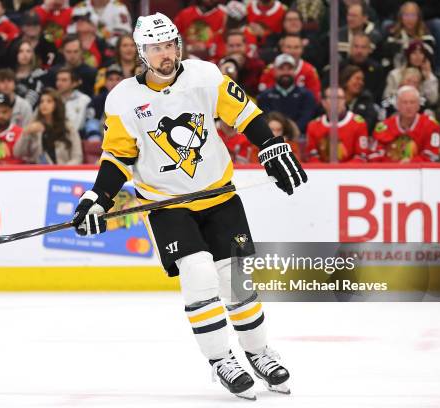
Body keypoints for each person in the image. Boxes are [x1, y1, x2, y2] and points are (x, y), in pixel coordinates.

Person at [70, 13, 306, 400]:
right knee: (198, 274)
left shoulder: (205, 76)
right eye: (156, 48)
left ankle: (260, 353)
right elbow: (116, 157)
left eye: (170, 45)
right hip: (167, 205)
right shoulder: (123, 99)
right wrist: (99, 197)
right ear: (142, 53)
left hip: (219, 195)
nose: (166, 54)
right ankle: (222, 360)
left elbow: (245, 114)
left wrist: (270, 145)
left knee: (236, 281)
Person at [370, 85, 440, 162]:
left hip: (419, 172)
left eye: (412, 102)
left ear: (418, 105)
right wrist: (394, 167)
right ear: (397, 105)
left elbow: (432, 155)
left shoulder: (431, 125)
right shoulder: (383, 127)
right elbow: (374, 155)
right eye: (404, 102)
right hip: (389, 172)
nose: (408, 106)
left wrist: (411, 163)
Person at [14, 88, 83, 164]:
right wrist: (25, 132)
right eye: (42, 101)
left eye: (49, 101)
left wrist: (63, 170)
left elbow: (77, 157)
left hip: (63, 171)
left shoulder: (68, 127)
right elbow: (18, 153)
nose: (44, 104)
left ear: (57, 104)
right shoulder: (33, 127)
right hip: (39, 172)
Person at [305, 86, 369, 163]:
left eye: (340, 98)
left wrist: (340, 172)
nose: (337, 102)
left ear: (345, 101)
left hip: (350, 173)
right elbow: (312, 157)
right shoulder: (313, 126)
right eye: (332, 98)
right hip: (323, 173)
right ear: (324, 102)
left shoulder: (358, 123)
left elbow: (361, 157)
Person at [257, 54, 317, 134]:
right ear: (274, 71)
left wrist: (291, 133)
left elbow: (306, 119)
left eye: (289, 68)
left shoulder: (307, 96)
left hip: (300, 139)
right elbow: (267, 120)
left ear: (295, 71)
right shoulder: (264, 97)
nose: (285, 72)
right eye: (281, 68)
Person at [258, 34, 321, 101]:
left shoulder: (310, 71)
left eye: (296, 47)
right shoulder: (271, 69)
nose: (292, 51)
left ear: (302, 49)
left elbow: (315, 99)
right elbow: (263, 97)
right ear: (282, 48)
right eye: (289, 47)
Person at [383, 40, 438, 107]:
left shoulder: (429, 77)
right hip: (396, 109)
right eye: (414, 53)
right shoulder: (395, 74)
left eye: (421, 53)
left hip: (420, 110)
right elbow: (385, 101)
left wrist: (428, 78)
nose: (418, 56)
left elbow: (433, 101)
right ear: (408, 55)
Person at [383, 2, 435, 70]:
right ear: (401, 17)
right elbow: (387, 56)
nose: (409, 19)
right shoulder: (393, 35)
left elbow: (429, 56)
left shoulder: (426, 36)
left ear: (418, 17)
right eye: (406, 15)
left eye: (413, 15)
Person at [340, 65, 378, 134]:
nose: (361, 83)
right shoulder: (334, 98)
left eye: (362, 80)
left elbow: (369, 122)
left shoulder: (366, 99)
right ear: (346, 80)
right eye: (357, 79)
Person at [55, 67, 92, 137]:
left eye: (64, 80)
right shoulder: (51, 99)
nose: (59, 83)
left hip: (77, 137)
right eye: (58, 80)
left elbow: (78, 125)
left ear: (74, 83)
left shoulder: (84, 100)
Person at [12, 40, 48, 110]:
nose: (25, 55)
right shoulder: (10, 74)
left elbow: (32, 99)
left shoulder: (39, 74)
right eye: (21, 51)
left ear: (32, 54)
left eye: (28, 51)